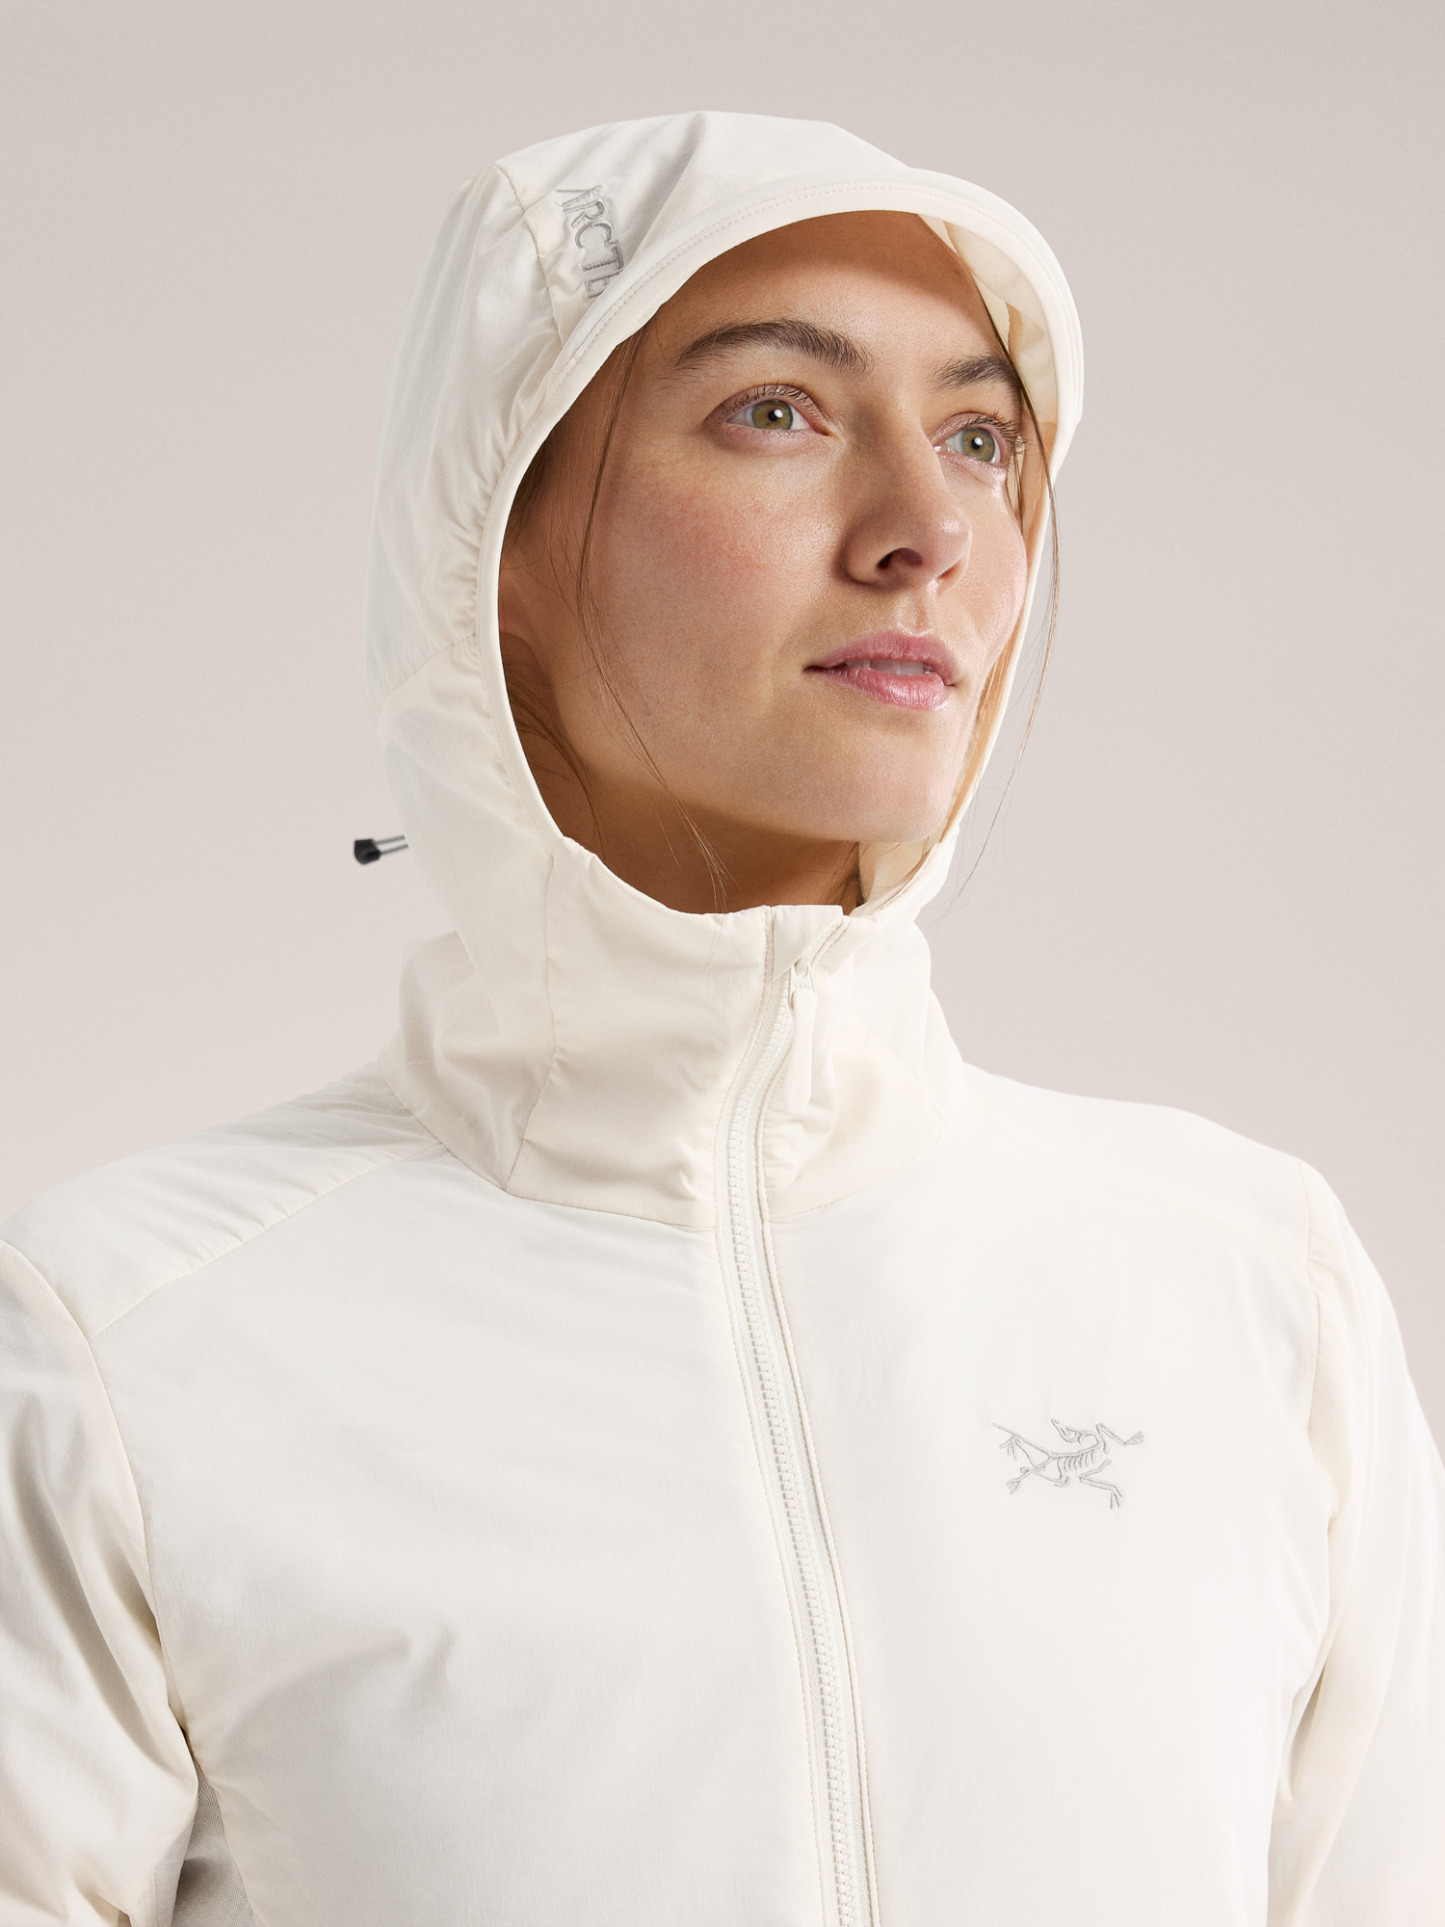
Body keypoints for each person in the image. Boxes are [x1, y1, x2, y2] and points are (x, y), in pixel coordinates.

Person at [1, 110, 1440, 1927]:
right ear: (490, 542)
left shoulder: (1248, 1286)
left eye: (981, 438)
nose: (929, 531)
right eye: (779, 410)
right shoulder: (122, 1344)